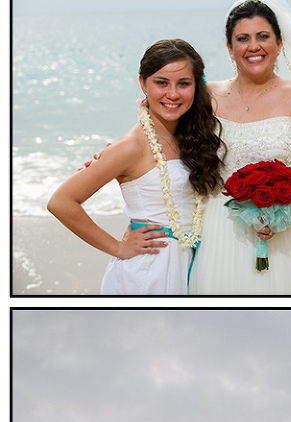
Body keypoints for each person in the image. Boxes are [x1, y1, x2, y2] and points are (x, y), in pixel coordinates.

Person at [189, 0, 291, 295]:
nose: (254, 46)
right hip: (222, 235)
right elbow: (167, 137)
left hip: (289, 236)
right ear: (229, 47)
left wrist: (283, 215)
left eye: (263, 37)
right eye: (243, 39)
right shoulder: (207, 96)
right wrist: (108, 156)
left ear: (279, 43)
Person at [46, 40, 222, 296]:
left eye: (183, 83)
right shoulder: (130, 146)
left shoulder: (192, 138)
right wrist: (118, 247)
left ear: (196, 85)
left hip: (190, 264)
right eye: (161, 83)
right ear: (143, 84)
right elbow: (61, 202)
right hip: (149, 270)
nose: (173, 94)